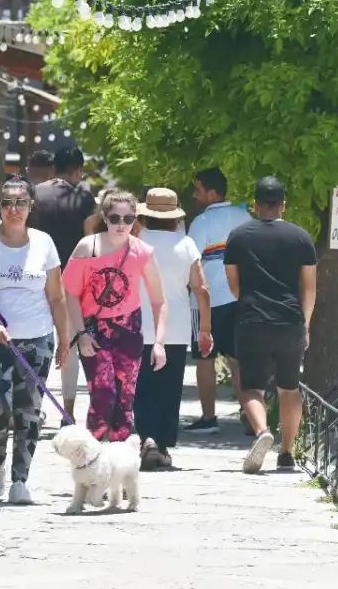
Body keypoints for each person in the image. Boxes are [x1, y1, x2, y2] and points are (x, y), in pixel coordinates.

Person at [0, 177, 70, 505]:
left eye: (20, 202)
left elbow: (56, 296)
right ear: (0, 207)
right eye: (7, 203)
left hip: (37, 337)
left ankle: (20, 480)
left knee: (29, 411)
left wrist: (64, 338)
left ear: (30, 206)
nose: (14, 209)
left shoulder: (44, 243)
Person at [224, 175, 317, 475]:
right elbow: (309, 288)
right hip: (290, 321)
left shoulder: (238, 236)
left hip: (252, 319)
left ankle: (263, 431)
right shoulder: (301, 237)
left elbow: (233, 285)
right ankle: (287, 453)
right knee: (289, 388)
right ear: (283, 205)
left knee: (251, 387)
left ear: (255, 204)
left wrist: (250, 301)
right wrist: (305, 323)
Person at [63, 189, 167, 443]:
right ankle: (92, 451)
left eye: (128, 219)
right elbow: (70, 293)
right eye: (114, 218)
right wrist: (81, 333)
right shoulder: (88, 247)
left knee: (124, 399)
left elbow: (159, 300)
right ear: (104, 217)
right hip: (94, 328)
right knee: (103, 392)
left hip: (129, 327)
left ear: (135, 219)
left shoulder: (142, 251)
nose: (121, 225)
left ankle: (120, 456)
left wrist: (159, 343)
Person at [133, 188, 212, 470]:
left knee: (141, 387)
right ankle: (162, 446)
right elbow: (201, 289)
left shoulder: (135, 242)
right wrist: (205, 329)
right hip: (176, 327)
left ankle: (146, 438)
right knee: (169, 388)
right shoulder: (186, 244)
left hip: (138, 325)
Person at [31, 145, 96, 422]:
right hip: (73, 282)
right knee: (69, 344)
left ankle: (32, 407)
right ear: (78, 170)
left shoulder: (35, 194)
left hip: (36, 278)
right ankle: (67, 413)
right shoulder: (84, 198)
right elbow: (91, 241)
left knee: (36, 343)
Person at [186, 166, 248, 434]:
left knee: (204, 359)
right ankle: (251, 417)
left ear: (212, 193)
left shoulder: (201, 223)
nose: (194, 195)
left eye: (198, 190)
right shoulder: (244, 216)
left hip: (206, 302)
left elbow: (190, 260)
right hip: (239, 298)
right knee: (238, 360)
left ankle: (209, 418)